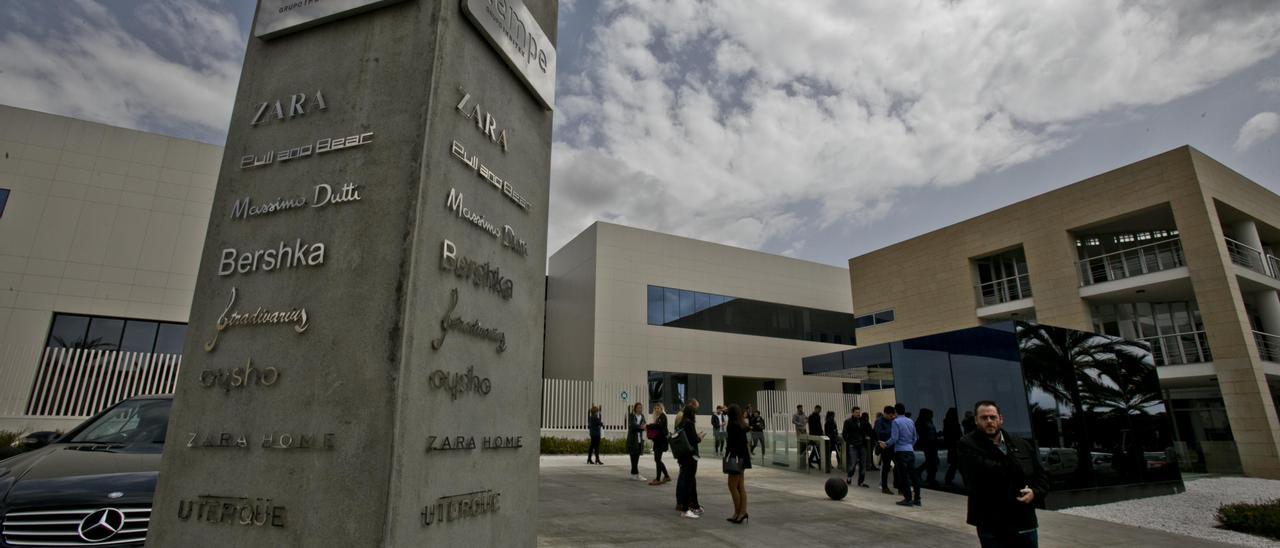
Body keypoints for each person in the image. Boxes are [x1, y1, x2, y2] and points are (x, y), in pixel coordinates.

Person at [958, 400, 1049, 547]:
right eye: (984, 417)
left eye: (993, 417)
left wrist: (1034, 493)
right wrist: (1017, 470)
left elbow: (1041, 477)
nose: (989, 421)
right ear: (976, 420)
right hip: (992, 523)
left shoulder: (1022, 445)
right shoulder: (967, 445)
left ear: (1000, 419)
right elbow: (985, 474)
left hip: (1024, 521)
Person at [880, 403, 920, 506]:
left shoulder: (896, 422)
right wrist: (910, 445)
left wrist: (886, 444)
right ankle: (917, 498)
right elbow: (915, 437)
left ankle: (908, 498)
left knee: (904, 475)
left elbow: (894, 438)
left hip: (900, 451)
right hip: (910, 450)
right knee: (913, 475)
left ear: (896, 411)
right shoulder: (910, 421)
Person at [675, 404, 706, 518]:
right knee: (689, 482)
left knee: (688, 481)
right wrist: (700, 437)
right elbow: (694, 440)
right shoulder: (689, 423)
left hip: (683, 456)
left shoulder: (682, 423)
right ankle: (686, 509)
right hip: (690, 457)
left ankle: (689, 505)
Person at [723, 404, 751, 523]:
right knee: (740, 486)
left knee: (732, 486)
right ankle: (741, 512)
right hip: (743, 457)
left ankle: (738, 512)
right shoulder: (741, 424)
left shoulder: (732, 425)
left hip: (736, 457)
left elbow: (732, 444)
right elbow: (745, 442)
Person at [842, 406, 870, 487]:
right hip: (853, 445)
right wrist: (849, 442)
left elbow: (868, 430)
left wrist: (866, 436)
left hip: (862, 445)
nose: (858, 414)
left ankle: (861, 482)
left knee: (863, 464)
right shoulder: (848, 422)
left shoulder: (863, 421)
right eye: (856, 412)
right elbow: (844, 434)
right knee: (853, 463)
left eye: (859, 412)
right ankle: (849, 476)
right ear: (853, 413)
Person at [916, 408, 940, 488]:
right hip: (927, 444)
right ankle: (929, 478)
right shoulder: (920, 422)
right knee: (931, 461)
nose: (932, 416)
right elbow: (921, 434)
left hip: (933, 443)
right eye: (931, 414)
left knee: (934, 461)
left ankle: (929, 476)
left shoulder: (929, 421)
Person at [650, 403, 672, 485]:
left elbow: (659, 426)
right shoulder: (658, 417)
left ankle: (658, 479)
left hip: (661, 442)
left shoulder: (663, 416)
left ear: (661, 409)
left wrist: (649, 426)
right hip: (657, 441)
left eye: (658, 408)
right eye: (655, 408)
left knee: (658, 459)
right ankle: (666, 476)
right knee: (657, 459)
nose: (656, 409)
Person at [874, 408, 894, 494]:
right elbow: (879, 433)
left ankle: (897, 484)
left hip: (891, 445)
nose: (891, 417)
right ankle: (884, 486)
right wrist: (891, 432)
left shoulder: (892, 421)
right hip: (884, 446)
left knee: (893, 466)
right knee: (885, 466)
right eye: (890, 415)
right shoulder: (879, 421)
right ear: (885, 414)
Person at [626, 402, 647, 481]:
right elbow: (632, 425)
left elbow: (644, 424)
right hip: (632, 440)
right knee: (633, 457)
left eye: (641, 407)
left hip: (639, 440)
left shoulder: (642, 416)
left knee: (637, 457)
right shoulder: (632, 416)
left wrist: (642, 427)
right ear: (635, 408)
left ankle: (633, 474)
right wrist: (641, 427)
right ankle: (636, 474)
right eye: (638, 407)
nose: (640, 409)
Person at [943, 407, 963, 486]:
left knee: (955, 464)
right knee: (956, 464)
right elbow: (957, 434)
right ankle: (948, 480)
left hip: (953, 446)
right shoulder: (952, 423)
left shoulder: (948, 422)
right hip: (955, 446)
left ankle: (948, 479)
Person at [807, 405, 824, 469]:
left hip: (817, 434)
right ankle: (819, 463)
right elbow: (814, 427)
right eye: (819, 410)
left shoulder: (817, 416)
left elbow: (819, 426)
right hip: (815, 435)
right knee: (816, 449)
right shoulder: (812, 417)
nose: (819, 411)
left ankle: (810, 461)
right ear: (816, 409)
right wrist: (818, 434)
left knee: (815, 449)